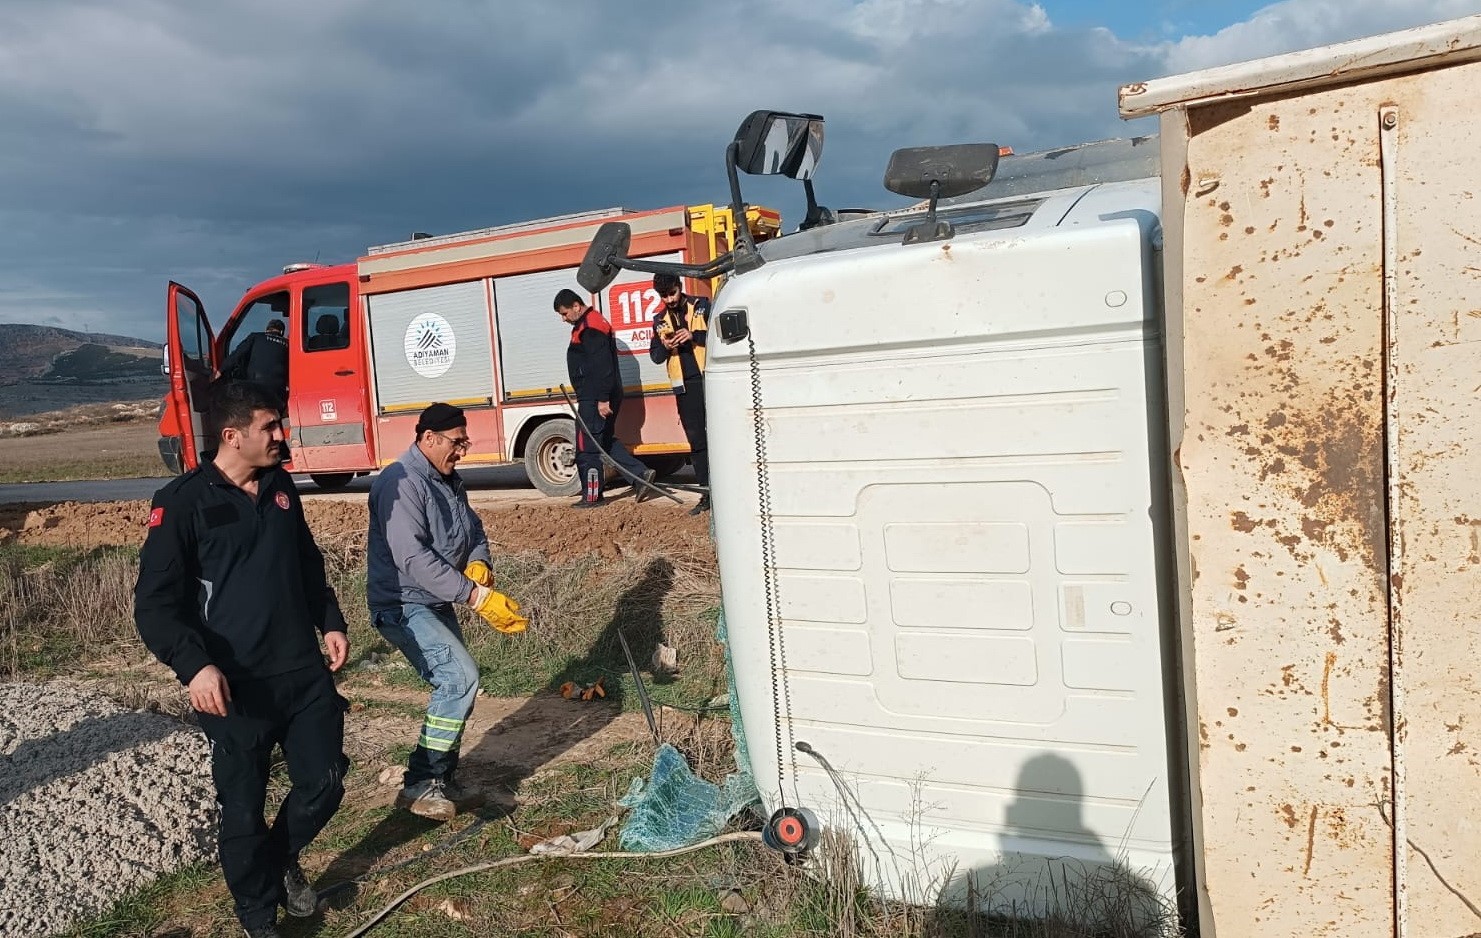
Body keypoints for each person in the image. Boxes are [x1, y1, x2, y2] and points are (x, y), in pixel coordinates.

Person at [133, 380, 350, 938]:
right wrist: (194, 665)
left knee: (324, 783)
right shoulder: (181, 503)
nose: (281, 435)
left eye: (279, 424)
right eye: (269, 427)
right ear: (232, 436)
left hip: (301, 672)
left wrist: (329, 620)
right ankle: (258, 916)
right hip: (233, 686)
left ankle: (277, 863)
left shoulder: (281, 488)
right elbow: (155, 608)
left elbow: (306, 563)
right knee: (244, 810)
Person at [366, 402, 528, 822]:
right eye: (456, 442)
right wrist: (474, 596)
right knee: (458, 679)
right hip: (403, 603)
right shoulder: (399, 484)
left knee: (458, 685)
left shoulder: (449, 480)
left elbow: (473, 529)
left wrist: (479, 561)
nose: (462, 451)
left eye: (464, 442)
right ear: (428, 438)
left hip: (435, 599)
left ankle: (440, 779)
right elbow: (412, 557)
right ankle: (422, 782)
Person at [552, 287, 655, 508]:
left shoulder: (591, 326)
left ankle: (592, 497)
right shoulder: (588, 323)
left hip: (595, 398)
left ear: (576, 306)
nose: (563, 319)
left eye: (564, 313)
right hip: (597, 395)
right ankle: (641, 475)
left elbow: (602, 365)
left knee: (586, 448)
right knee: (605, 441)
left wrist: (602, 399)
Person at [648, 272, 711, 515]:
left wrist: (694, 336)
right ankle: (706, 494)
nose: (669, 299)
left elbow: (723, 336)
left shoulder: (702, 305)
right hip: (685, 387)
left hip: (710, 380)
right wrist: (664, 347)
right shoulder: (659, 320)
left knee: (722, 437)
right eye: (664, 296)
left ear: (680, 287)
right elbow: (655, 357)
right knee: (696, 442)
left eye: (672, 293)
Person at [219, 318, 289, 407]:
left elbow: (237, 354)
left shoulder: (255, 337)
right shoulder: (287, 344)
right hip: (277, 393)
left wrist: (220, 370)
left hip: (255, 389)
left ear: (267, 330)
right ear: (282, 332)